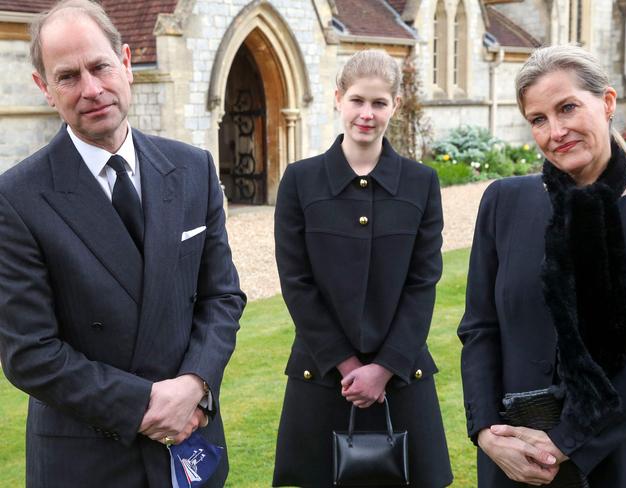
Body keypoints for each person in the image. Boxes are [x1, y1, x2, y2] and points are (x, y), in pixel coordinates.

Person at [0, 1, 246, 487]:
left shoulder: (193, 168)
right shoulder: (17, 199)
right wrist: (146, 404)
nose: (91, 90)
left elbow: (222, 297)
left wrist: (195, 384)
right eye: (68, 77)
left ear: (127, 63)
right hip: (89, 458)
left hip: (189, 444)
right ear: (44, 89)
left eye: (100, 66)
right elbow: (30, 352)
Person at [458, 44, 626, 487]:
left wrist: (565, 441)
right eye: (538, 120)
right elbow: (480, 328)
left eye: (567, 108)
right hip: (512, 458)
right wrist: (487, 432)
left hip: (611, 458)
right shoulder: (504, 202)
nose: (556, 131)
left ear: (606, 103)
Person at [272, 49, 453, 488]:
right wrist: (348, 365)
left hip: (402, 381)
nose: (366, 114)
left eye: (379, 103)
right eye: (357, 100)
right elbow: (297, 284)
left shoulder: (421, 182)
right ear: (338, 98)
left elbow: (422, 283)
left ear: (395, 105)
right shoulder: (299, 181)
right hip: (323, 381)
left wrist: (384, 367)